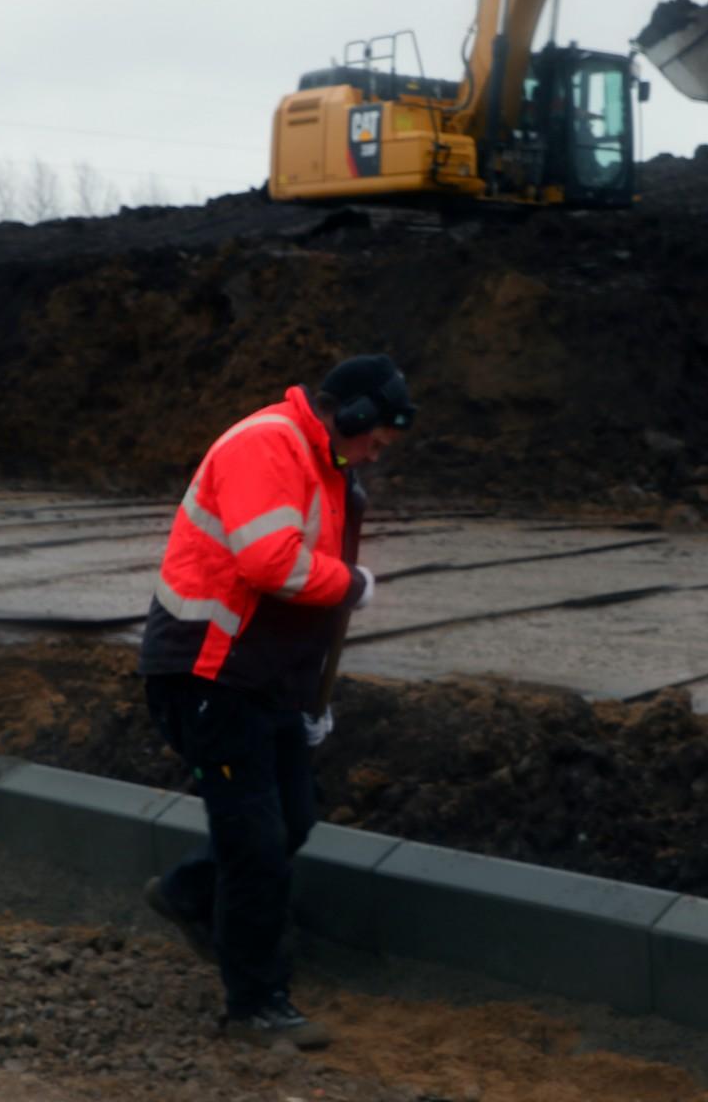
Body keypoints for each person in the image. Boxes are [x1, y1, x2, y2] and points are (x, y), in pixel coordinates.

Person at [138, 354, 416, 1050]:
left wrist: (306, 695)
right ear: (348, 415)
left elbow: (296, 602)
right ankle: (256, 1003)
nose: (373, 454)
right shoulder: (267, 445)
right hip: (208, 676)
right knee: (255, 845)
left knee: (291, 818)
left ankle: (188, 895)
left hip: (263, 680)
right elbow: (269, 563)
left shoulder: (329, 469)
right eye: (372, 439)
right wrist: (355, 584)